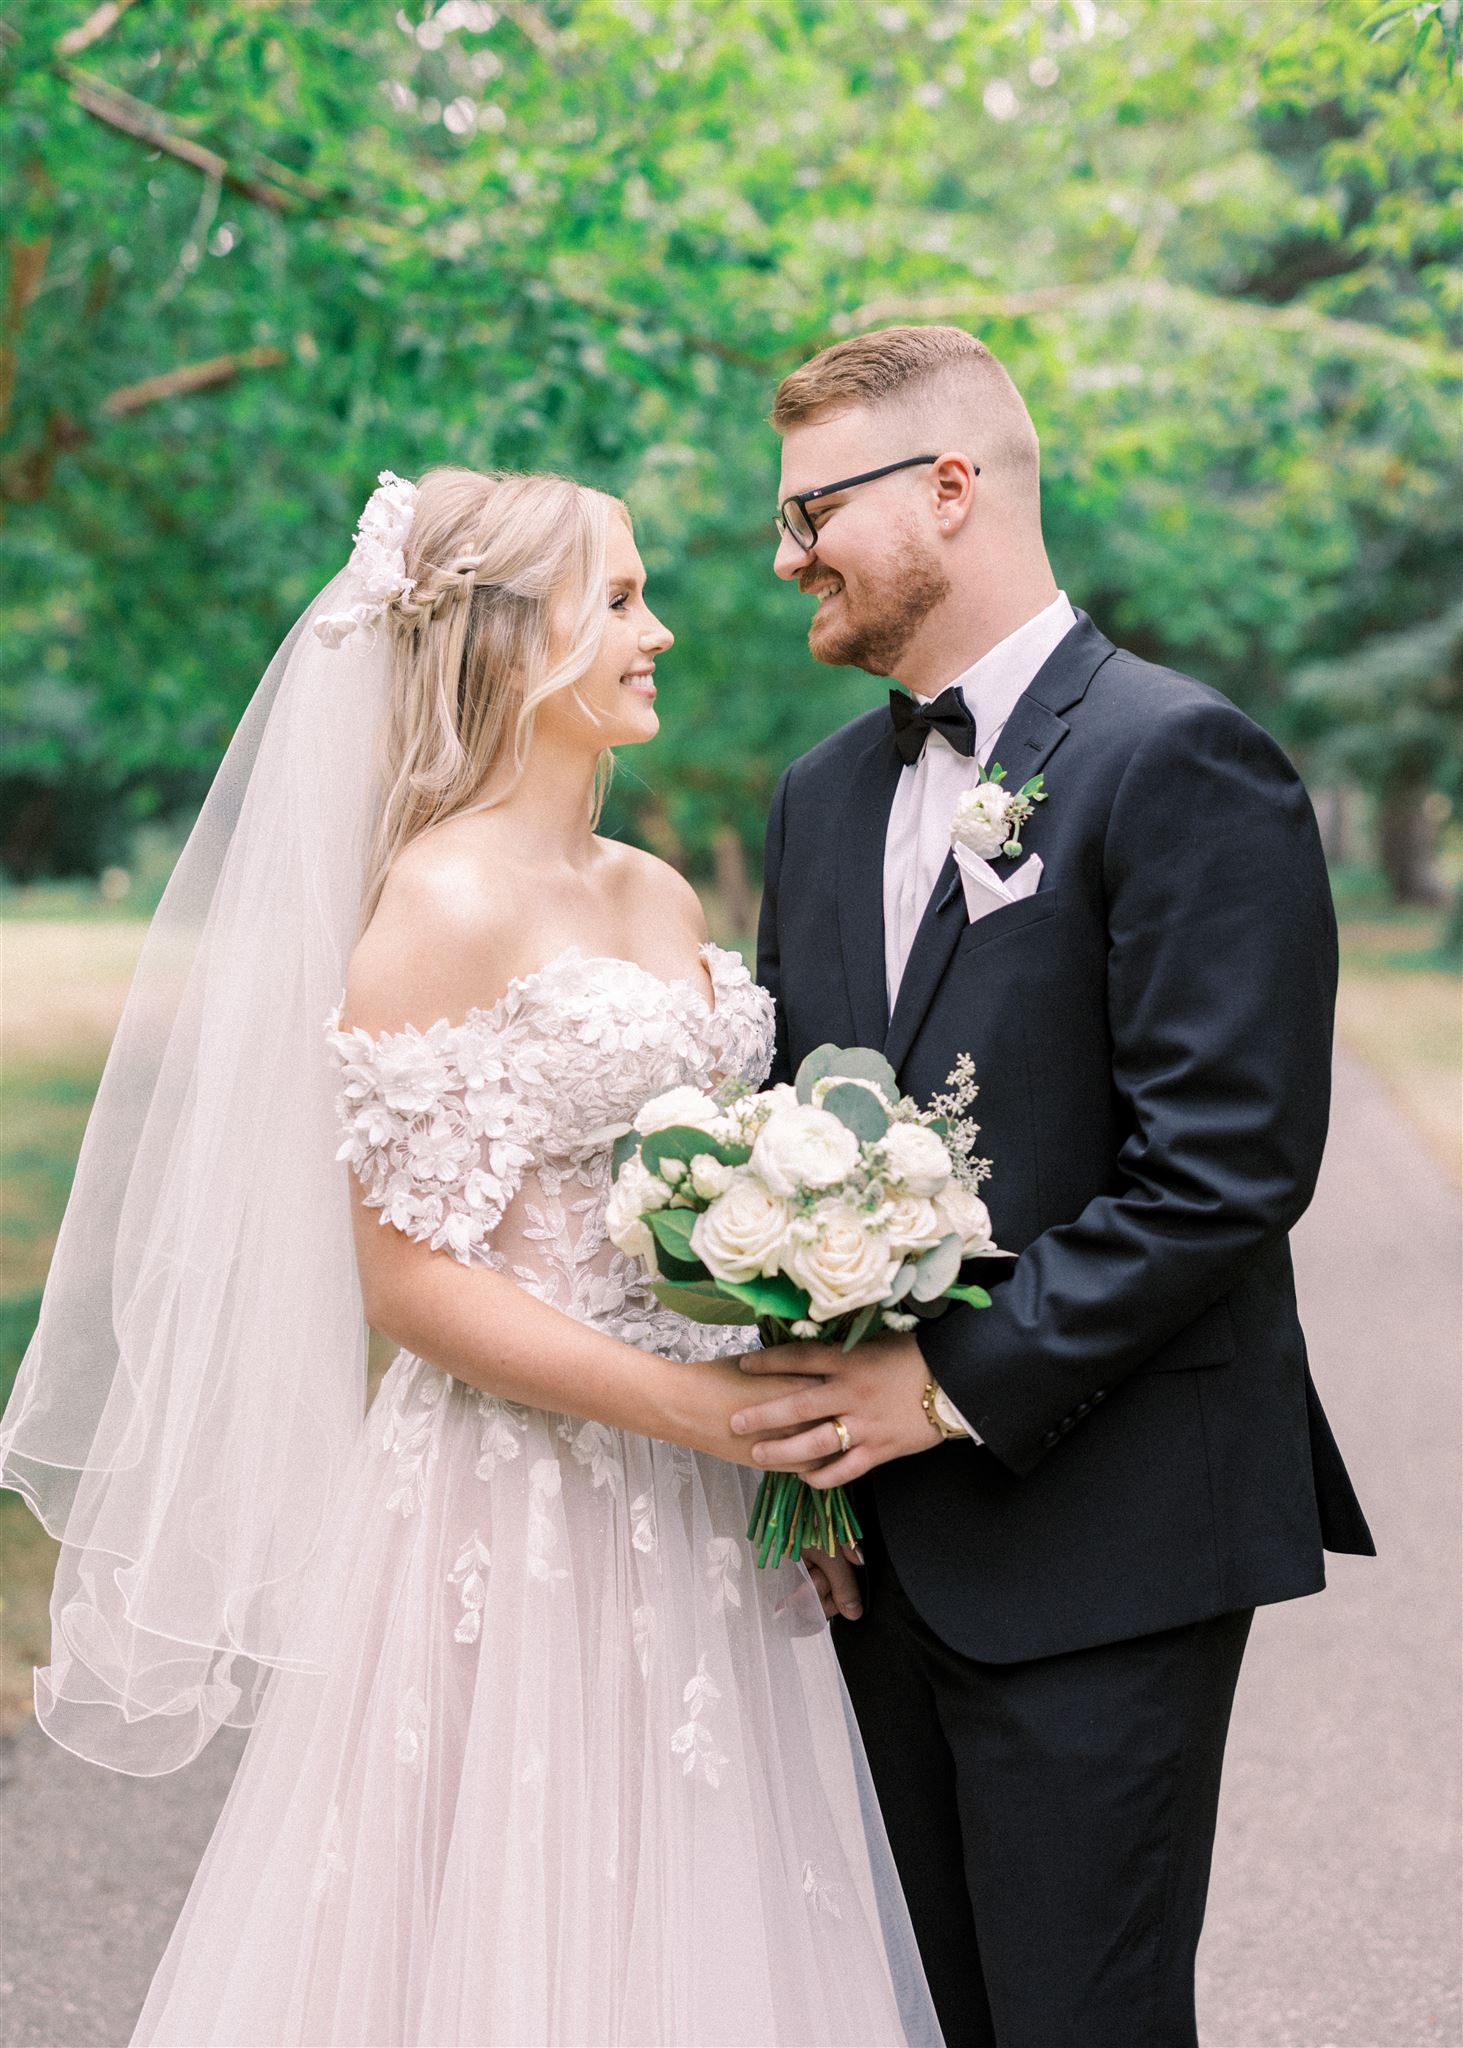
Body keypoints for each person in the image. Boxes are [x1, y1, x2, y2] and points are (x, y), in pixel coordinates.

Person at [0, 465, 941, 2047]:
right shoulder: (431, 906)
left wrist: (778, 1452)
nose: (663, 630)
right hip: (523, 1509)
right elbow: (415, 1285)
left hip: (713, 1504)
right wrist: (704, 1415)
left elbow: (700, 1218)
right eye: (623, 598)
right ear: (510, 643)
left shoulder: (653, 888)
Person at [734, 325, 1376, 2048]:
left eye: (812, 511)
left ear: (949, 491)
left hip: (1111, 1534)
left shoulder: (1184, 759)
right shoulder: (813, 799)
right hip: (873, 1559)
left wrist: (933, 1389)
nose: (788, 554)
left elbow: (1226, 1168)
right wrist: (813, 1462)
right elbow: (799, 1149)